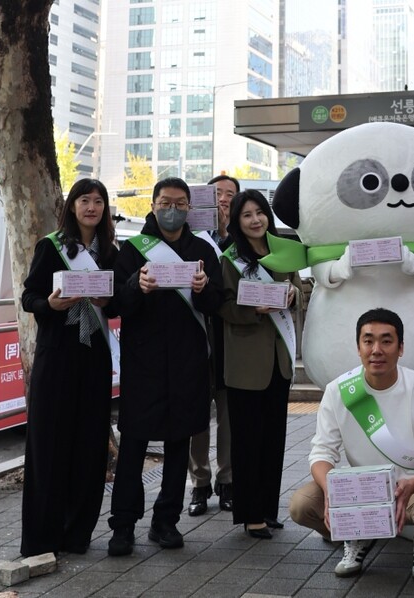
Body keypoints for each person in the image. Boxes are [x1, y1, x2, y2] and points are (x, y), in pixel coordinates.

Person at [288, 308, 414, 585]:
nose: (376, 349)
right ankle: (356, 533)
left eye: (386, 341)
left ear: (401, 348)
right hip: (361, 490)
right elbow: (322, 452)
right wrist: (331, 492)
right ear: (358, 347)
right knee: (302, 505)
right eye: (368, 341)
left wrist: (412, 485)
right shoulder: (339, 390)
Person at [107, 177, 224, 556]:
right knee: (133, 448)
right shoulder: (133, 249)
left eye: (179, 203)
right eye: (164, 202)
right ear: (153, 205)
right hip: (144, 365)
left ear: (190, 207)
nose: (171, 209)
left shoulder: (201, 249)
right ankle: (122, 526)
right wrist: (135, 287)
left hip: (188, 364)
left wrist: (205, 288)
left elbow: (216, 305)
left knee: (178, 446)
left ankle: (165, 521)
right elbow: (113, 305)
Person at [19, 179, 117, 557]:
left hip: (93, 357)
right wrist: (50, 305)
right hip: (57, 356)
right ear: (72, 205)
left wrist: (110, 300)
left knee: (90, 447)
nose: (91, 207)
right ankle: (42, 538)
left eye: (98, 201)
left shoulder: (110, 251)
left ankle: (77, 534)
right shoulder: (51, 246)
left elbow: (118, 301)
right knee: (49, 446)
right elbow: (30, 296)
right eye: (84, 200)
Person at [218, 190, 301, 539]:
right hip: (245, 363)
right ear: (237, 222)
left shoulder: (284, 251)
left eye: (259, 213)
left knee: (273, 440)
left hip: (279, 361)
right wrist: (253, 310)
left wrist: (295, 293)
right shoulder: (230, 258)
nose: (255, 220)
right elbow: (222, 305)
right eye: (246, 215)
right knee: (247, 442)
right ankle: (250, 514)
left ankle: (268, 509)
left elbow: (296, 287)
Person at [187, 174, 241, 517]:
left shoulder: (241, 241)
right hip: (194, 337)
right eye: (217, 193)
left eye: (230, 195)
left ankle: (228, 480)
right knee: (196, 415)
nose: (223, 200)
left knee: (229, 413)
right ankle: (199, 482)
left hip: (232, 339)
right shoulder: (189, 241)